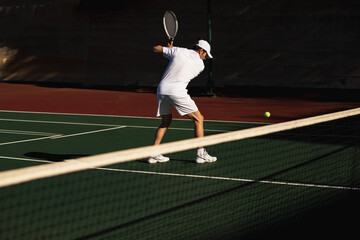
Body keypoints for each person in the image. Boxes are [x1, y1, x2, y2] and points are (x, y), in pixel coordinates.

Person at [148, 39, 217, 164]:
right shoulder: (200, 65)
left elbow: (155, 48)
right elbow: (183, 62)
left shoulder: (178, 51)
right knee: (199, 119)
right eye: (206, 54)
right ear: (201, 50)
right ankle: (201, 154)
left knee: (166, 121)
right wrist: (172, 50)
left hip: (161, 90)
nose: (205, 58)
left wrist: (169, 49)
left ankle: (153, 153)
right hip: (176, 91)